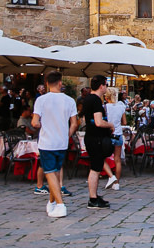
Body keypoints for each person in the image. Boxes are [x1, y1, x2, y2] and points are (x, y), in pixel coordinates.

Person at [31, 71, 79, 218]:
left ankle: (60, 204)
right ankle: (51, 202)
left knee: (50, 172)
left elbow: (34, 122)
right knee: (56, 171)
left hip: (47, 141)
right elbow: (74, 123)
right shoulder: (70, 100)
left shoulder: (41, 100)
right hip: (62, 141)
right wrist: (67, 134)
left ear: (46, 84)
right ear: (60, 83)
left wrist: (40, 124)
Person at [81, 75, 116, 209]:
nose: (106, 88)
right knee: (95, 168)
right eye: (106, 85)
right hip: (96, 139)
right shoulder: (95, 100)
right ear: (101, 86)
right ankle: (93, 198)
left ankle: (94, 195)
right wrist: (110, 125)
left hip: (91, 137)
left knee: (95, 167)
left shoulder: (88, 99)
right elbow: (98, 122)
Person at [104, 89, 127, 189]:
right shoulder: (121, 107)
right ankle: (116, 183)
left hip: (108, 134)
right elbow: (125, 122)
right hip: (118, 134)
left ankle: (110, 175)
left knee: (101, 157)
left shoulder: (105, 107)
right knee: (117, 159)